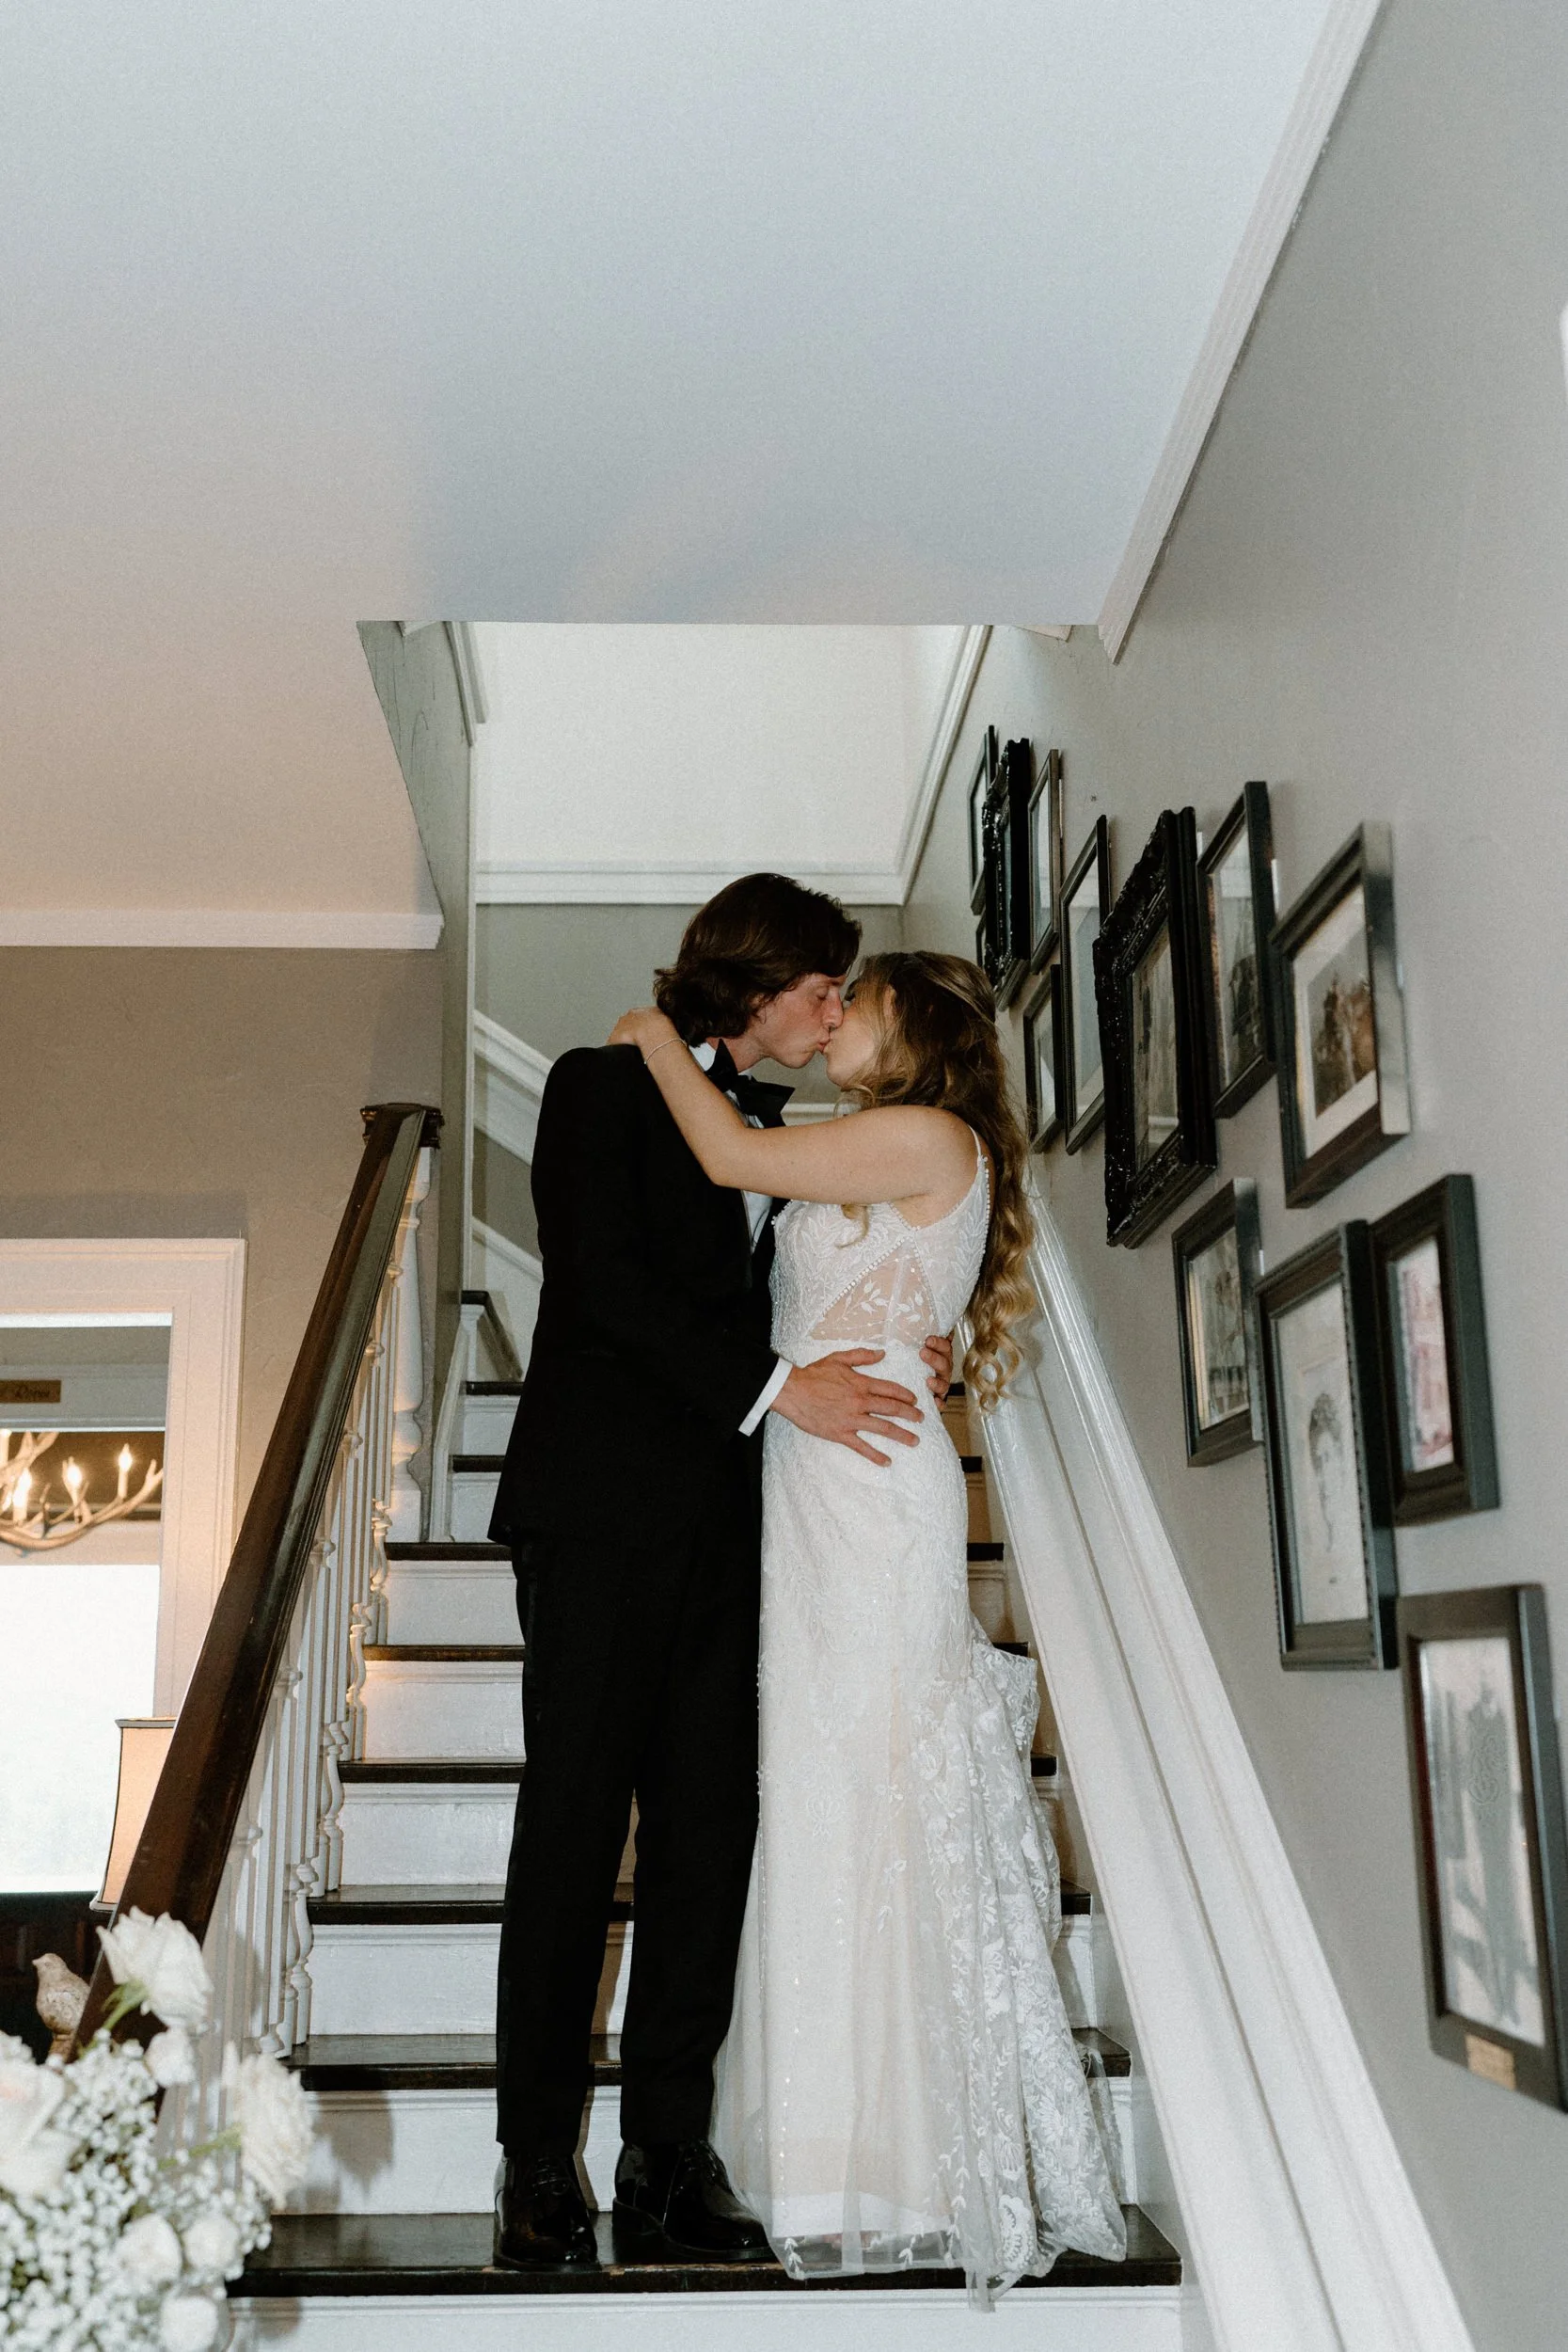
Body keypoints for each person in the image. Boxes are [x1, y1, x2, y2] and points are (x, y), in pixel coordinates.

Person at [610, 950, 1127, 2304]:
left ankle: (882, 2163)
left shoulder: (917, 1132)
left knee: (857, 1790)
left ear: (914, 1031)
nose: (832, 1017)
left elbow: (724, 1158)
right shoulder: (884, 1141)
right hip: (811, 1480)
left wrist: (654, 1038)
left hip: (864, 1487)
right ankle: (815, 2146)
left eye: (858, 1002)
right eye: (823, 1000)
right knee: (806, 1792)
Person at [486, 875, 953, 2272]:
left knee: (707, 1844)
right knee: (574, 1831)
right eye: (823, 988)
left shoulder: (775, 1130)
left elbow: (832, 1285)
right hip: (597, 1519)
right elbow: (602, 1289)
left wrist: (897, 1347)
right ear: (758, 981)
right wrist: (775, 1389)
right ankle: (533, 2166)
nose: (832, 1012)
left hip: (740, 1534)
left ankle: (665, 2162)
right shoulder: (595, 1085)